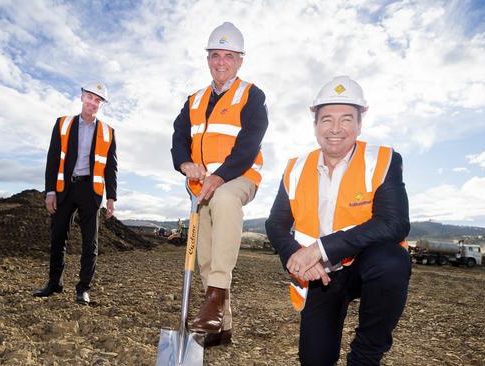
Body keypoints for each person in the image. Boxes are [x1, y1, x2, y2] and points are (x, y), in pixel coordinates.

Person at [265, 76, 411, 365]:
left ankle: (365, 356)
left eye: (346, 119)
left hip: (366, 263)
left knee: (392, 260)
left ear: (360, 123)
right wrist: (295, 256)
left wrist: (319, 249)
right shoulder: (296, 168)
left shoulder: (383, 160)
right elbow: (275, 223)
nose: (335, 129)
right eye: (326, 119)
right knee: (314, 359)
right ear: (315, 124)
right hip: (321, 276)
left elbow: (394, 223)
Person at [171, 21, 268, 347]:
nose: (221, 61)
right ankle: (220, 328)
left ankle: (214, 298)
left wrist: (219, 176)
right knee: (204, 257)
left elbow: (249, 144)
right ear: (208, 58)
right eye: (215, 55)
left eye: (228, 55)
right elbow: (179, 138)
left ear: (240, 60)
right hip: (202, 187)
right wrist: (185, 164)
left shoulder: (252, 95)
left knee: (225, 198)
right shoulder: (194, 100)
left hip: (239, 178)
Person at [33, 82, 117, 305]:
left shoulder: (108, 132)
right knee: (58, 237)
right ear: (81, 97)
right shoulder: (62, 124)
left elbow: (111, 167)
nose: (93, 102)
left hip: (91, 191)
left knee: (90, 242)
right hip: (64, 189)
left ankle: (83, 289)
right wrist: (50, 190)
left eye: (98, 100)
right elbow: (52, 158)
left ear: (101, 104)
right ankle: (54, 283)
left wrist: (111, 198)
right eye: (90, 97)